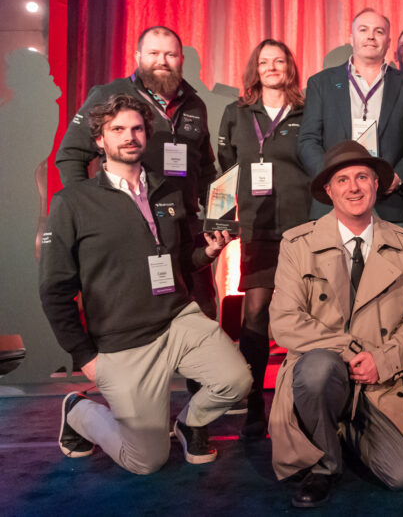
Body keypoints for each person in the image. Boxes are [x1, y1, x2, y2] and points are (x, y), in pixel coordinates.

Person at [41, 94, 250, 474]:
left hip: (176, 319)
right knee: (146, 461)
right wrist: (84, 355)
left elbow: (181, 258)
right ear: (100, 140)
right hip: (123, 341)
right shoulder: (72, 202)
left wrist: (208, 253)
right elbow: (54, 290)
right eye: (117, 129)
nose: (129, 136)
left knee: (237, 381)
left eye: (136, 128)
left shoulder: (168, 190)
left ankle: (189, 423)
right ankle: (78, 410)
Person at [268, 141, 403, 508]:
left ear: (377, 185)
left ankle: (341, 429)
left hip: (380, 379)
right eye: (342, 180)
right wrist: (352, 350)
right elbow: (285, 322)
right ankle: (325, 462)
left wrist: (382, 362)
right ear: (329, 190)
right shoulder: (297, 244)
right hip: (326, 368)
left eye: (362, 177)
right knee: (318, 371)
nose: (353, 187)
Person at [54, 25, 219, 317]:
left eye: (170, 54)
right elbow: (70, 156)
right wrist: (91, 211)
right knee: (142, 318)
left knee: (202, 316)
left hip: (187, 229)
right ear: (138, 56)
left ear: (181, 59)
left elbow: (205, 170)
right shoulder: (110, 94)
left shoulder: (195, 104)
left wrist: (220, 217)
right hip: (133, 227)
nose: (162, 61)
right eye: (153, 53)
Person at [217, 39, 311, 437]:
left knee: (307, 313)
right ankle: (254, 400)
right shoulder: (236, 114)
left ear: (290, 67)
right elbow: (224, 170)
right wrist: (220, 220)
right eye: (264, 62)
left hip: (304, 227)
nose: (272, 67)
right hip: (258, 228)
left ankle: (304, 400)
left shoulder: (308, 111)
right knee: (255, 313)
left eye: (279, 61)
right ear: (255, 69)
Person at [298, 8, 403, 228]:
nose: (371, 36)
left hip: (389, 202)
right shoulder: (321, 83)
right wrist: (330, 178)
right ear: (351, 37)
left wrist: (398, 177)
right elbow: (308, 140)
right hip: (331, 205)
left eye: (379, 31)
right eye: (363, 30)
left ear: (388, 40)